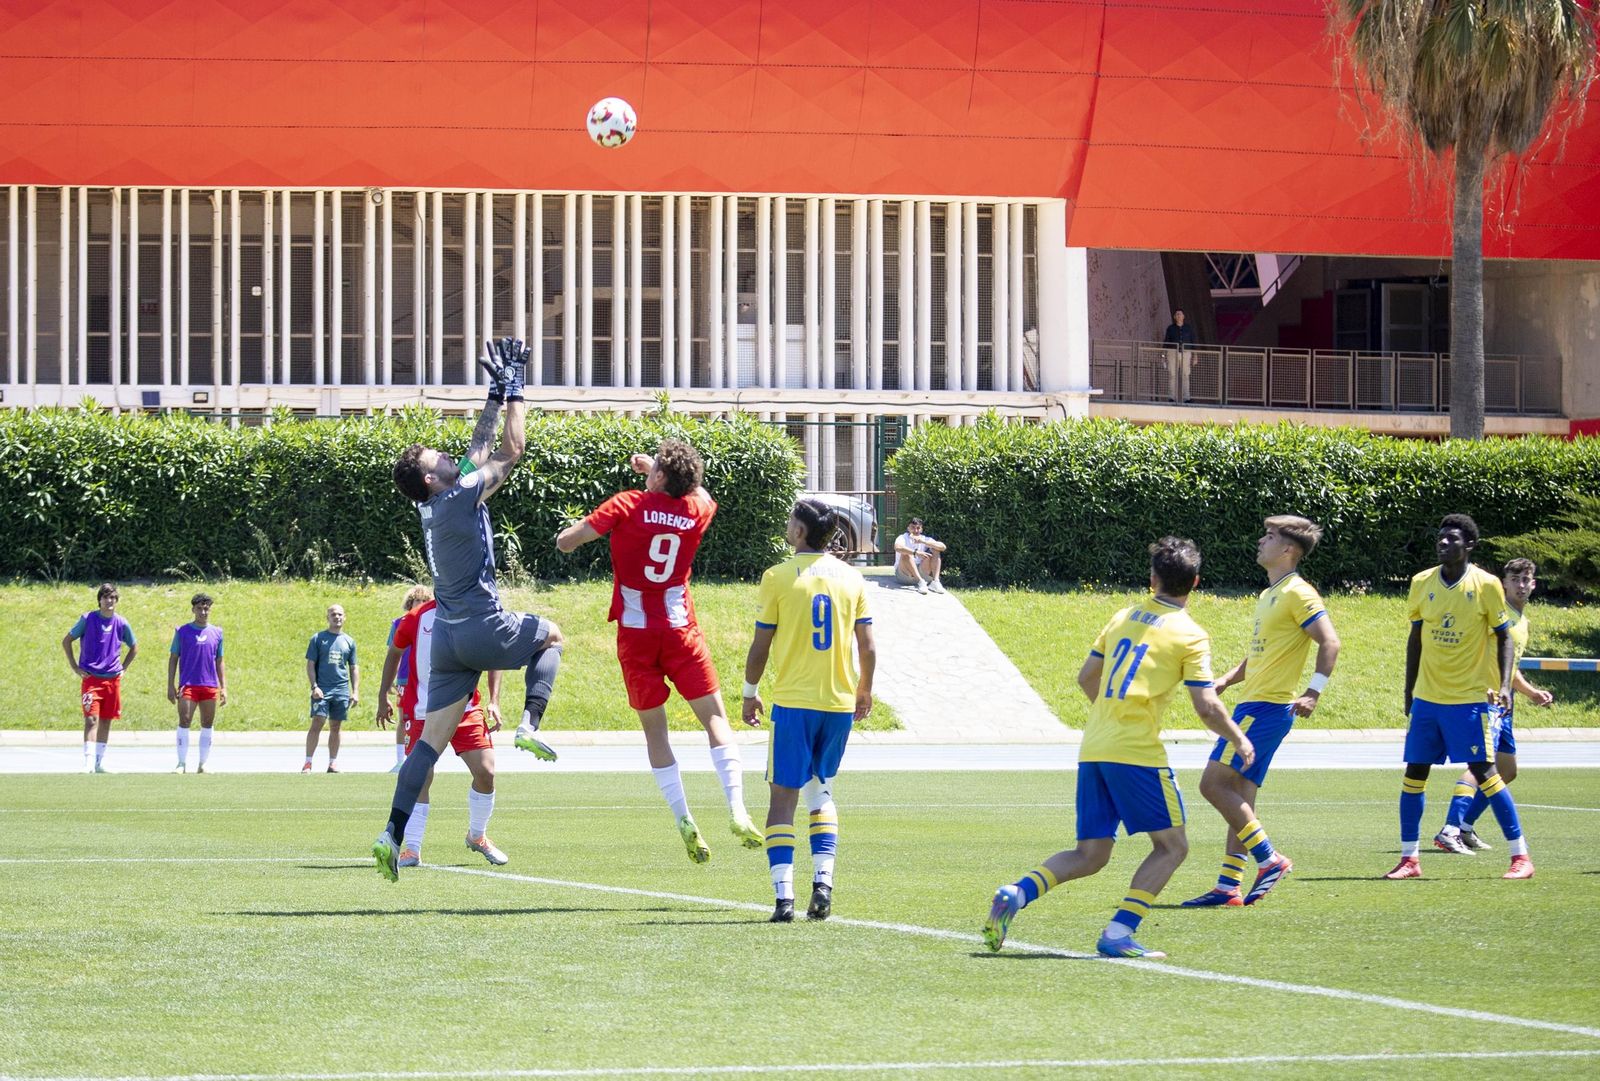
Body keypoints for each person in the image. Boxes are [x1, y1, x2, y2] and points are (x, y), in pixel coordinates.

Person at [983, 537, 1254, 960]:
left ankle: (1016, 893)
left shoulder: (1123, 616)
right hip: (1136, 751)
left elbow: (1087, 677)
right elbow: (1206, 704)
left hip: (1096, 745)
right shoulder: (1191, 634)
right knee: (1173, 847)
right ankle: (1118, 933)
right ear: (1196, 583)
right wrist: (1238, 737)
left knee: (1091, 854)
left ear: (1152, 579)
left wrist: (1111, 714)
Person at [372, 338, 564, 882]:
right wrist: (519, 391)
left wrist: (494, 394)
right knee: (552, 636)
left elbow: (476, 448)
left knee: (428, 745)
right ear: (432, 478)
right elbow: (511, 451)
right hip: (480, 624)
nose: (447, 457)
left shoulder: (436, 501)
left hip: (450, 641)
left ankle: (391, 832)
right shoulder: (458, 496)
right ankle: (530, 722)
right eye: (438, 459)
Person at [556, 439, 763, 863]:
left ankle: (683, 816)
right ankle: (738, 808)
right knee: (715, 721)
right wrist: (658, 468)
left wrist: (580, 528)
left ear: (659, 478)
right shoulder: (696, 510)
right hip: (680, 630)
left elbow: (567, 541)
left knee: (656, 731)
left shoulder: (629, 503)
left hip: (636, 635)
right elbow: (701, 494)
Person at [1182, 516, 1340, 908]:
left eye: (1269, 537)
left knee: (1212, 785)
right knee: (1240, 795)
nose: (1260, 541)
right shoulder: (1271, 594)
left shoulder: (1298, 593)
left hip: (1267, 708)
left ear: (1288, 550)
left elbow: (1330, 642)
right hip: (1255, 703)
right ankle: (1228, 885)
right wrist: (1225, 681)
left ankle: (1269, 860)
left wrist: (1313, 692)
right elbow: (1259, 656)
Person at [742, 498, 876, 923]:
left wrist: (749, 692)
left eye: (790, 522)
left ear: (800, 532)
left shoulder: (778, 577)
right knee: (822, 792)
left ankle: (784, 898)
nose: (787, 526)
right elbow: (868, 646)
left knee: (782, 799)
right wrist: (864, 692)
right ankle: (823, 884)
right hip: (837, 703)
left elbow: (761, 644)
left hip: (795, 703)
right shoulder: (852, 579)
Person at [1386, 514, 1531, 881]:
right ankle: (1410, 859)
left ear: (1469, 546)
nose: (1443, 543)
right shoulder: (1421, 582)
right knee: (1414, 773)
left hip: (1468, 700)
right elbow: (1415, 639)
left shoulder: (1486, 585)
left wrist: (1502, 686)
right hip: (1427, 700)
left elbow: (1505, 637)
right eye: (1440, 537)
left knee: (1486, 772)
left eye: (1452, 539)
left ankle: (1520, 857)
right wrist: (1409, 691)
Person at [376, 595, 508, 868]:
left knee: (486, 772)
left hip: (466, 709)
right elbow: (394, 652)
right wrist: (382, 696)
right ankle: (411, 849)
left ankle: (477, 835)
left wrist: (494, 701)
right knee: (421, 777)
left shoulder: (475, 613)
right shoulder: (416, 617)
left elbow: (494, 656)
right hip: (424, 711)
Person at [1434, 557, 1552, 855]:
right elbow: (1470, 647)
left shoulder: (1522, 621)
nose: (1522, 585)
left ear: (1533, 584)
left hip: (1504, 704)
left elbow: (1510, 667)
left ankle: (1464, 826)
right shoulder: (1497, 616)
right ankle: (1449, 829)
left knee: (1507, 770)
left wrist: (1530, 693)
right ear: (1505, 584)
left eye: (1527, 580)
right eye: (1516, 580)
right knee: (1480, 766)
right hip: (1485, 700)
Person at [62, 583, 137, 774]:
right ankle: (87, 763)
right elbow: (67, 640)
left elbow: (134, 647)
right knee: (91, 720)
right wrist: (74, 666)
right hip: (91, 679)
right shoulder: (88, 619)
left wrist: (124, 668)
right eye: (106, 597)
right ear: (99, 600)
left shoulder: (121, 623)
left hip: (112, 680)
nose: (109, 601)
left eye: (113, 597)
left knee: (106, 720)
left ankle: (98, 762)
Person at [167, 592, 226, 774]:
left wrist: (224, 687)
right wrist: (170, 685)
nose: (203, 612)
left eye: (206, 608)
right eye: (199, 608)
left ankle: (203, 763)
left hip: (209, 684)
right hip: (188, 684)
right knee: (184, 719)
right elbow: (173, 658)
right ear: (193, 609)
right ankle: (181, 763)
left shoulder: (217, 633)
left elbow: (219, 660)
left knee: (207, 722)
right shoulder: (183, 632)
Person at [303, 604, 359, 774]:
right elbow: (310, 664)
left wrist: (355, 691)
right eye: (333, 614)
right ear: (328, 618)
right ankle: (308, 762)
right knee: (317, 722)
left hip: (341, 690)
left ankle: (332, 763)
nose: (337, 617)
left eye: (340, 614)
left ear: (345, 617)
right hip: (322, 689)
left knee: (336, 726)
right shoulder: (318, 638)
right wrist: (314, 686)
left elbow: (353, 667)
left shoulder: (349, 641)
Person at [386, 586, 433, 772]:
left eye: (424, 601)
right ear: (410, 602)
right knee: (404, 718)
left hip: (425, 678)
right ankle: (401, 760)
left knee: (425, 718)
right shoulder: (399, 623)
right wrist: (390, 680)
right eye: (417, 601)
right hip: (406, 678)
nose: (420, 604)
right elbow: (393, 653)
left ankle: (422, 757)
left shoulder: (432, 621)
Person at [892, 517, 947, 594]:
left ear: (921, 529)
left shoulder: (924, 539)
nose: (916, 531)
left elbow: (943, 547)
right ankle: (920, 582)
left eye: (918, 528)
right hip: (905, 575)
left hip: (923, 572)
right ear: (908, 528)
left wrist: (923, 542)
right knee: (906, 554)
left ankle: (935, 582)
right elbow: (897, 547)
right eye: (913, 528)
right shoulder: (902, 537)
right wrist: (916, 552)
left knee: (936, 549)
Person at [1162, 308, 1196, 403]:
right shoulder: (1170, 328)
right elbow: (1166, 342)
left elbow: (1193, 342)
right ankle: (1172, 397)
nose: (1179, 316)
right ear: (1174, 317)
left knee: (1186, 375)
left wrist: (1195, 356)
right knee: (1172, 375)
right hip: (1172, 353)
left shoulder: (1188, 328)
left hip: (1186, 353)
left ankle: (1186, 398)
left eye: (1180, 314)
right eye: (1177, 314)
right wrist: (1163, 356)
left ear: (1183, 316)